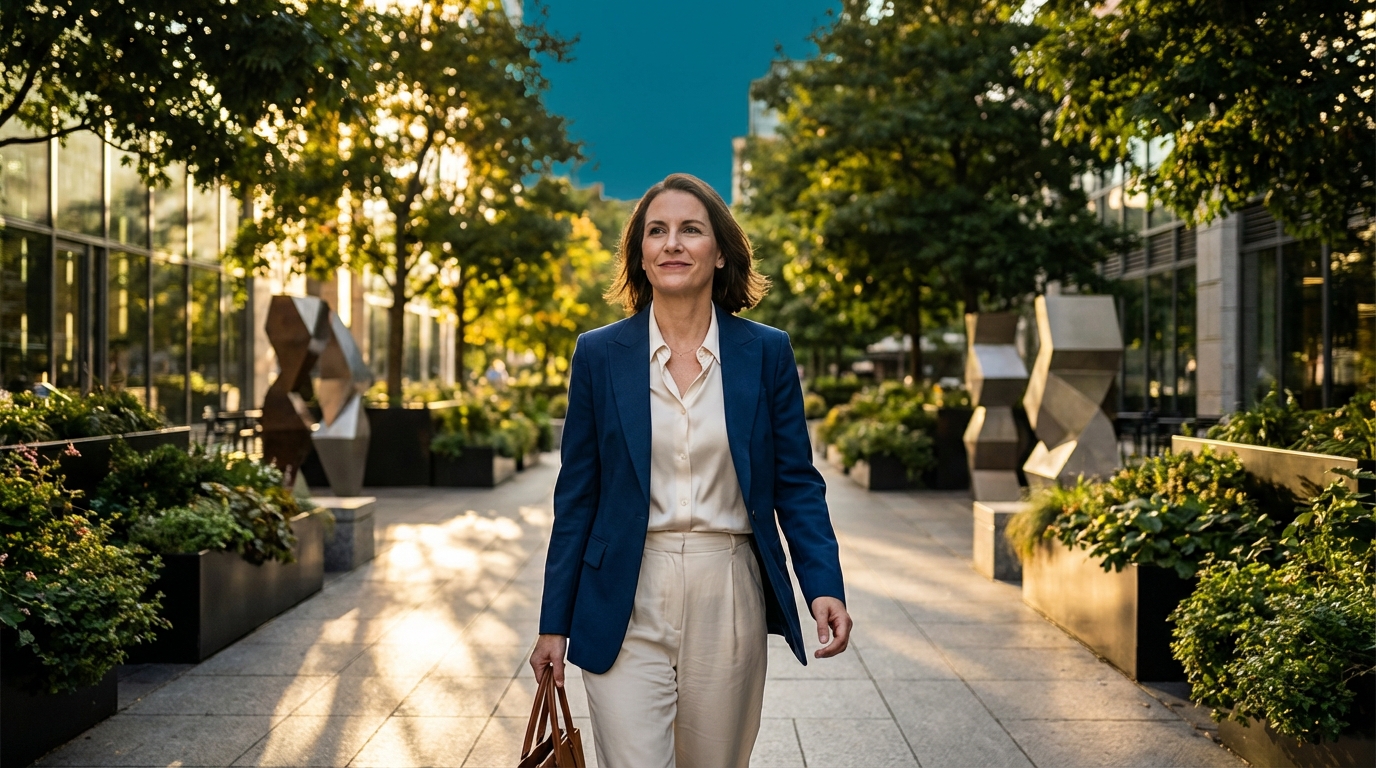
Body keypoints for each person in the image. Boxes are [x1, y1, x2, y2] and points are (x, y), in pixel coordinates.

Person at [530, 173, 852, 768]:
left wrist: (823, 584)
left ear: (720, 251)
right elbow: (576, 497)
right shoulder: (598, 355)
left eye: (690, 230)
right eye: (657, 231)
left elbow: (796, 484)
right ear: (641, 256)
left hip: (727, 587)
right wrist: (554, 620)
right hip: (622, 594)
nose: (672, 243)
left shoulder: (766, 352)